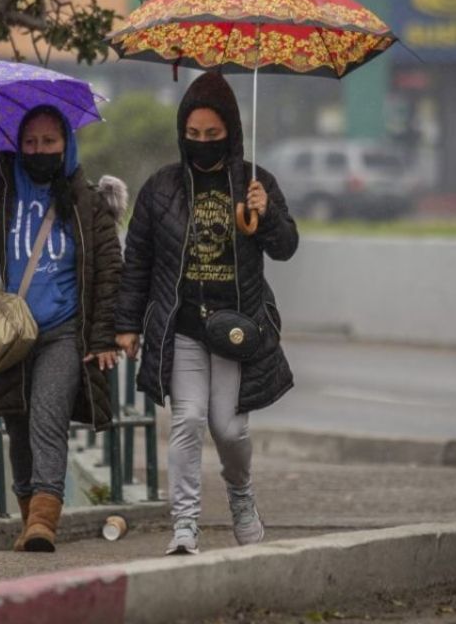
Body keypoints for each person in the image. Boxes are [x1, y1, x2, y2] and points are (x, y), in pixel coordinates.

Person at [114, 71, 298, 555]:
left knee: (229, 428)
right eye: (192, 135)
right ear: (182, 134)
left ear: (230, 133)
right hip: (184, 329)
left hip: (238, 330)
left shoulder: (256, 183)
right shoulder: (160, 190)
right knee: (188, 420)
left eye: (212, 136)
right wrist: (127, 325)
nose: (201, 143)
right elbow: (139, 262)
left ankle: (241, 496)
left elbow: (286, 248)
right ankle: (185, 525)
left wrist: (268, 214)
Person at [0, 104, 125, 552]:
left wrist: (104, 335)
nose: (39, 150)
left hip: (63, 333)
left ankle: (45, 521)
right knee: (18, 428)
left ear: (66, 144)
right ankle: (30, 521)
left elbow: (110, 271)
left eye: (49, 142)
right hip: (8, 337)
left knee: (48, 416)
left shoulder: (86, 200)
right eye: (31, 143)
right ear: (17, 145)